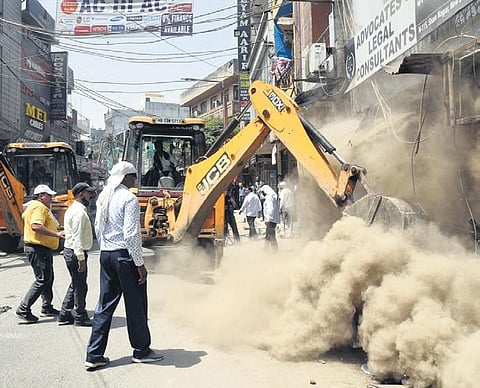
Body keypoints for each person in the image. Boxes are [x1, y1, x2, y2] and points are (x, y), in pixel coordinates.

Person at [85, 161, 163, 371]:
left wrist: (105, 248)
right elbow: (130, 234)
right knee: (136, 305)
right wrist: (139, 264)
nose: (135, 179)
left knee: (104, 305)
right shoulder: (129, 198)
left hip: (106, 254)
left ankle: (94, 354)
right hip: (124, 256)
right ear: (126, 177)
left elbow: (98, 227)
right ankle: (141, 350)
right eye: (134, 176)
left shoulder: (104, 196)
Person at [16, 184, 65, 323]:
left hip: (41, 247)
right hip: (37, 248)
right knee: (42, 279)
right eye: (49, 195)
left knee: (48, 278)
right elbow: (36, 226)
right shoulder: (39, 207)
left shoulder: (35, 206)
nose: (52, 197)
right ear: (41, 196)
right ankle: (23, 308)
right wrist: (56, 233)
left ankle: (46, 306)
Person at [58, 182, 96, 327]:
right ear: (81, 194)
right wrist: (81, 258)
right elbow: (77, 237)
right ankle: (80, 316)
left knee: (76, 284)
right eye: (88, 193)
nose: (91, 196)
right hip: (75, 252)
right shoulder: (79, 213)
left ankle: (65, 314)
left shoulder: (73, 209)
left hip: (71, 251)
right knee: (80, 286)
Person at [259, 185, 280, 251]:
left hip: (270, 220)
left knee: (271, 236)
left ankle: (275, 250)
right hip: (273, 220)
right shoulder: (272, 197)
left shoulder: (268, 198)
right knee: (268, 236)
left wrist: (268, 219)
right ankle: (266, 249)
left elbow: (270, 209)